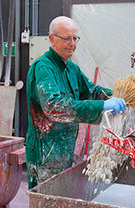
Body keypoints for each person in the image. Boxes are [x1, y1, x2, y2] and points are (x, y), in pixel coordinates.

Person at [25, 16, 126, 189]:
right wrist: (102, 107)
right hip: (46, 150)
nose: (72, 43)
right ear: (52, 39)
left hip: (66, 147)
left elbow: (91, 91)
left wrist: (118, 96)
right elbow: (55, 107)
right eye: (66, 39)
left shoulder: (71, 68)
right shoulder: (43, 68)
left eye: (75, 38)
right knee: (45, 199)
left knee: (61, 196)